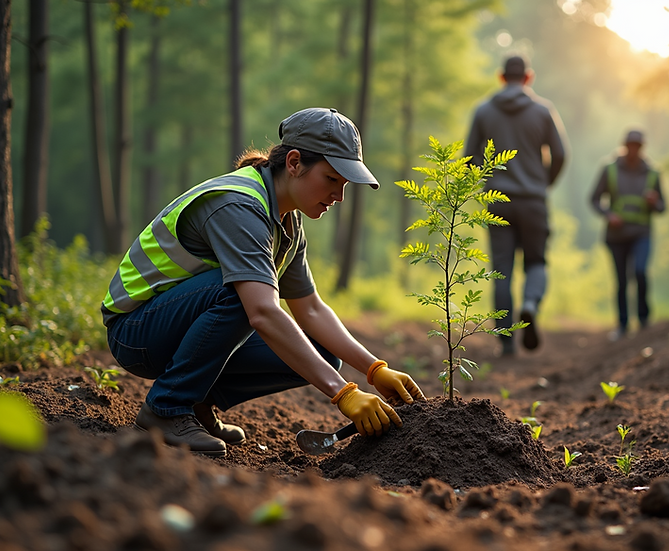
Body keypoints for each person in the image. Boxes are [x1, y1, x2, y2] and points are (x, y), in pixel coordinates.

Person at [101, 107, 426, 457]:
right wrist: (343, 393)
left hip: (177, 325)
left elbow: (312, 310)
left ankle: (197, 401)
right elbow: (262, 311)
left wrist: (374, 370)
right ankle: (167, 407)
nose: (339, 196)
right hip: (136, 331)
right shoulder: (238, 206)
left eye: (345, 185)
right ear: (294, 163)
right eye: (332, 179)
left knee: (322, 350)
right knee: (245, 296)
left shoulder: (286, 221)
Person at [463, 54, 568, 356]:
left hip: (497, 200)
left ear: (500, 77)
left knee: (502, 270)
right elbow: (560, 154)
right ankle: (531, 304)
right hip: (533, 199)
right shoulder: (543, 111)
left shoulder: (483, 111)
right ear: (528, 77)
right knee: (536, 261)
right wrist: (543, 183)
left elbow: (470, 158)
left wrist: (485, 186)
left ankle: (507, 343)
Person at [590, 129, 666, 341]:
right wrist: (608, 214)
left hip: (642, 233)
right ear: (624, 145)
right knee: (621, 280)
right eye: (631, 145)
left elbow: (663, 207)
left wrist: (654, 202)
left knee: (640, 272)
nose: (634, 149)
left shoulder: (652, 173)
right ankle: (622, 325)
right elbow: (594, 199)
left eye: (638, 146)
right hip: (616, 236)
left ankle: (643, 320)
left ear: (642, 147)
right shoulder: (609, 169)